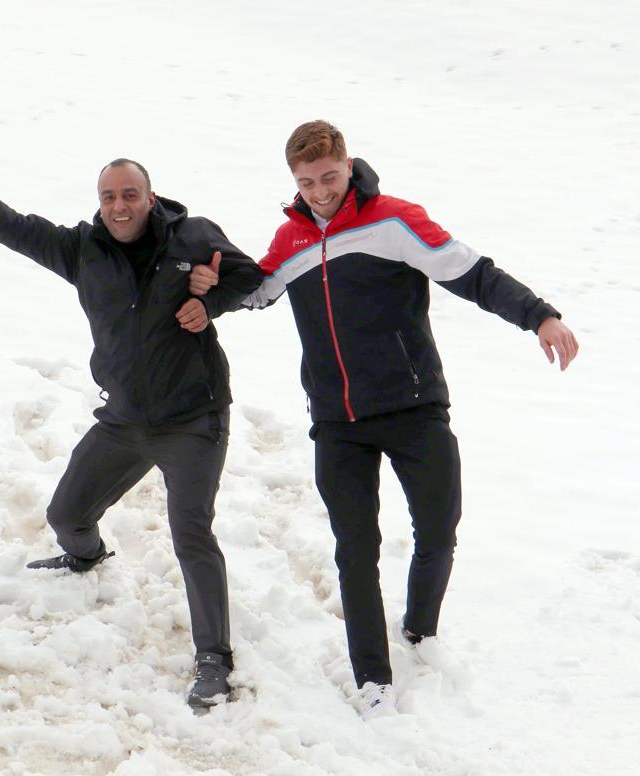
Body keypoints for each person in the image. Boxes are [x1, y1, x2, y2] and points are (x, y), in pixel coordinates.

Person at [189, 120, 579, 719]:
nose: (319, 191)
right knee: (355, 550)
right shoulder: (291, 240)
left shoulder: (393, 220)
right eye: (306, 182)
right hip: (338, 421)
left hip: (415, 409)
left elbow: (473, 274)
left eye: (328, 177)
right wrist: (208, 294)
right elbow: (256, 291)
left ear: (348, 165)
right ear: (293, 181)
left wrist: (540, 317)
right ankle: (373, 677)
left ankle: (420, 631)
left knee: (438, 529)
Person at [0, 138, 264, 708]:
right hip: (124, 418)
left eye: (130, 194)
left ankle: (213, 660)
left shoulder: (194, 235)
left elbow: (253, 280)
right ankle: (86, 555)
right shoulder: (81, 250)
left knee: (192, 534)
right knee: (65, 514)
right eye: (109, 197)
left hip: (193, 420)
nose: (119, 206)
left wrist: (212, 296)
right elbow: (11, 225)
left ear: (151, 197)